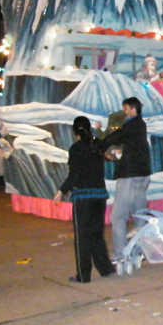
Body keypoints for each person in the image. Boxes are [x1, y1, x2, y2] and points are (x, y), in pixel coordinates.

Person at [54, 117, 115, 283]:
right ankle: (106, 269)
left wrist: (61, 190)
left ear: (75, 131)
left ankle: (83, 275)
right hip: (100, 196)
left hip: (83, 197)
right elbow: (111, 148)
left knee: (82, 237)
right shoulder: (97, 144)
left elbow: (74, 175)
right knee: (97, 234)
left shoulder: (76, 148)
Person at [96, 97, 151, 261]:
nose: (124, 111)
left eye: (126, 108)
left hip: (130, 176)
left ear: (134, 109)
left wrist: (100, 144)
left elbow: (115, 137)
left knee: (118, 217)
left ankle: (121, 254)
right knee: (139, 215)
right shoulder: (139, 125)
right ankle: (140, 250)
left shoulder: (133, 124)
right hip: (141, 174)